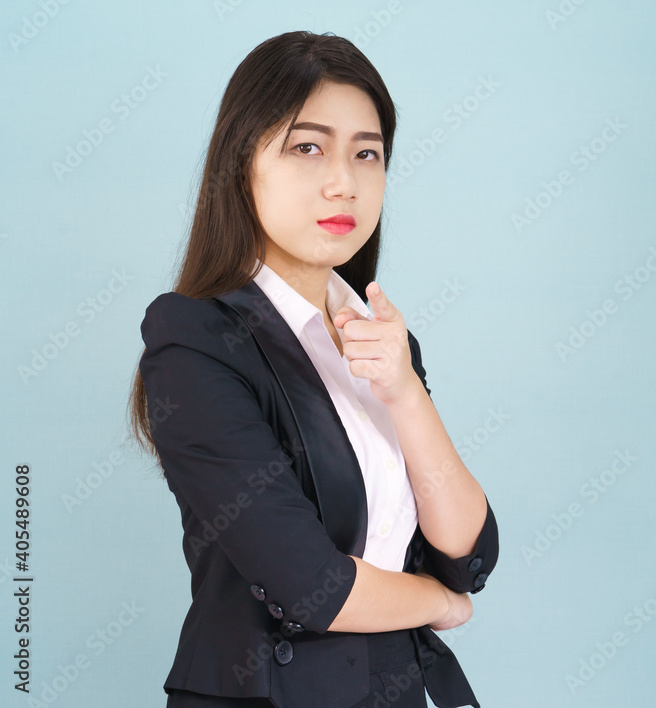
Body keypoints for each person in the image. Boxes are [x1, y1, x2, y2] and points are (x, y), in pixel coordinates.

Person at [127, 31, 499, 708]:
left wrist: (407, 394)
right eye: (308, 146)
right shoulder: (196, 338)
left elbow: (469, 555)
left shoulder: (381, 339)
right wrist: (435, 603)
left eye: (367, 153)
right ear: (243, 162)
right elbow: (310, 586)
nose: (344, 181)